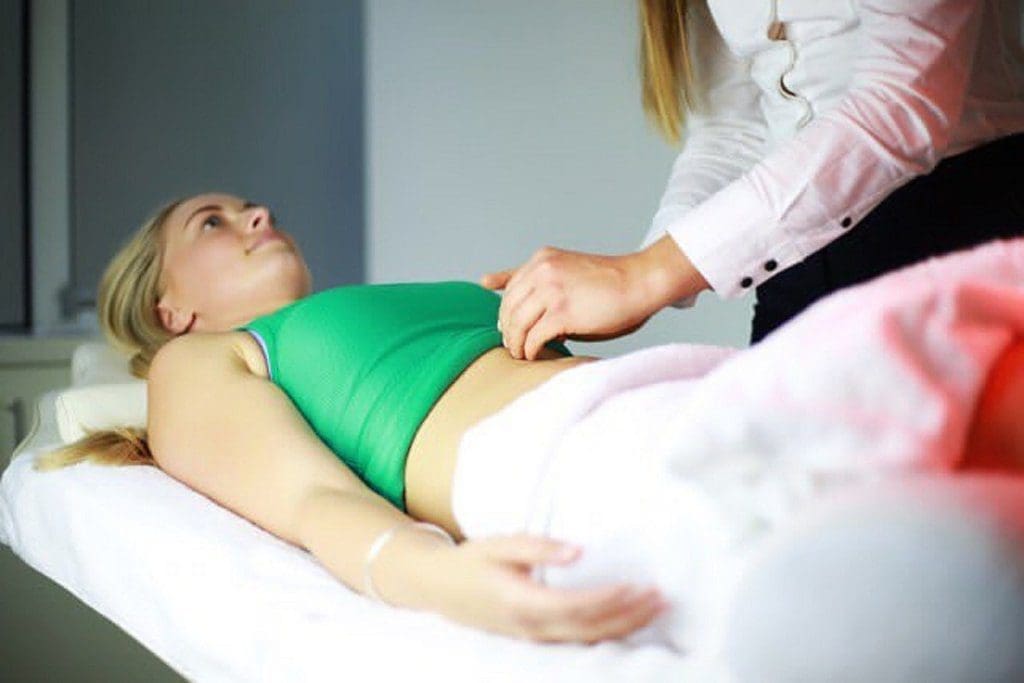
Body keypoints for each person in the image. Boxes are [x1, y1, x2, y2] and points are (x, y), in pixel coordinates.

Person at [35, 192, 1024, 653]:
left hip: (682, 391)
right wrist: (429, 573)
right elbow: (308, 499)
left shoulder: (413, 295)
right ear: (169, 306)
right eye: (212, 222)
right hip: (575, 461)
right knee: (898, 539)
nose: (256, 215)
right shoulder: (195, 363)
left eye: (250, 207)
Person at [481, 0, 1024, 359]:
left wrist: (644, 277)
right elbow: (730, 130)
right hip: (798, 261)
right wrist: (631, 282)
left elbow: (904, 102)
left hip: (966, 227)